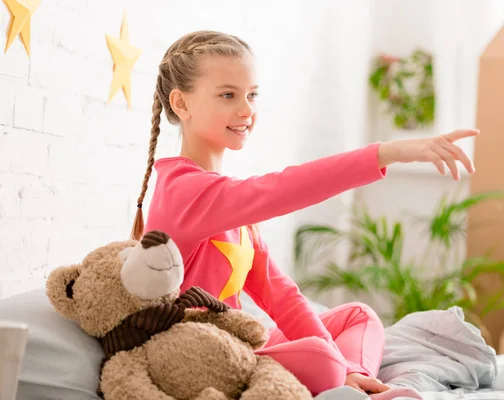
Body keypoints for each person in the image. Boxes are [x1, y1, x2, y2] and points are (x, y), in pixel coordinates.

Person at [130, 30, 477, 398]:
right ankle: (339, 381)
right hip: (199, 355)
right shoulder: (183, 190)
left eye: (252, 95)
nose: (246, 110)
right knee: (324, 359)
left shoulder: (227, 199)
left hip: (237, 345)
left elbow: (280, 295)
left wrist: (343, 368)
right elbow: (284, 187)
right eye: (227, 95)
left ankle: (354, 385)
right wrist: (386, 153)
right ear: (181, 103)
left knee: (359, 317)